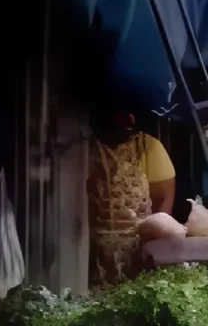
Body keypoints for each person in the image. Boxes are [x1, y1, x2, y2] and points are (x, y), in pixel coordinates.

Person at [87, 103, 176, 286]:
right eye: (121, 115)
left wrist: (153, 244)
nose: (130, 121)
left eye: (131, 115)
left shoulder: (147, 146)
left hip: (136, 252)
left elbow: (163, 200)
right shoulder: (83, 147)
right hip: (90, 253)